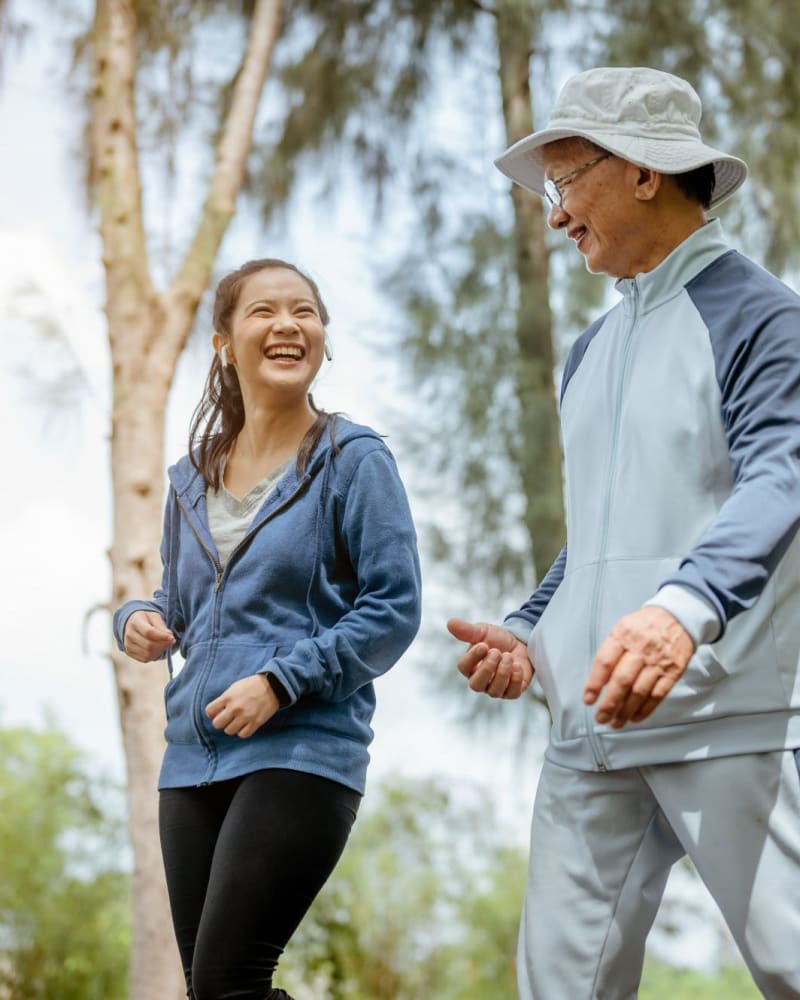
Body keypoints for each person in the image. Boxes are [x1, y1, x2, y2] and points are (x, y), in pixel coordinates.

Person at [448, 66, 800, 999]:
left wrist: (681, 611)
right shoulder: (590, 352)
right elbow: (597, 534)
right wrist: (530, 632)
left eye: (566, 182)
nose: (556, 215)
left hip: (731, 718)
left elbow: (784, 476)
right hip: (588, 727)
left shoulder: (764, 317)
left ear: (645, 171)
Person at [113, 258, 421, 1000]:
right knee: (215, 992)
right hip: (192, 758)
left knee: (228, 980)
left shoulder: (353, 460)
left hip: (301, 749)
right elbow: (186, 606)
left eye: (305, 312)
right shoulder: (189, 479)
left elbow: (392, 608)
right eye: (264, 312)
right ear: (224, 343)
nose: (287, 325)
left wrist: (282, 682)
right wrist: (139, 618)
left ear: (322, 338)